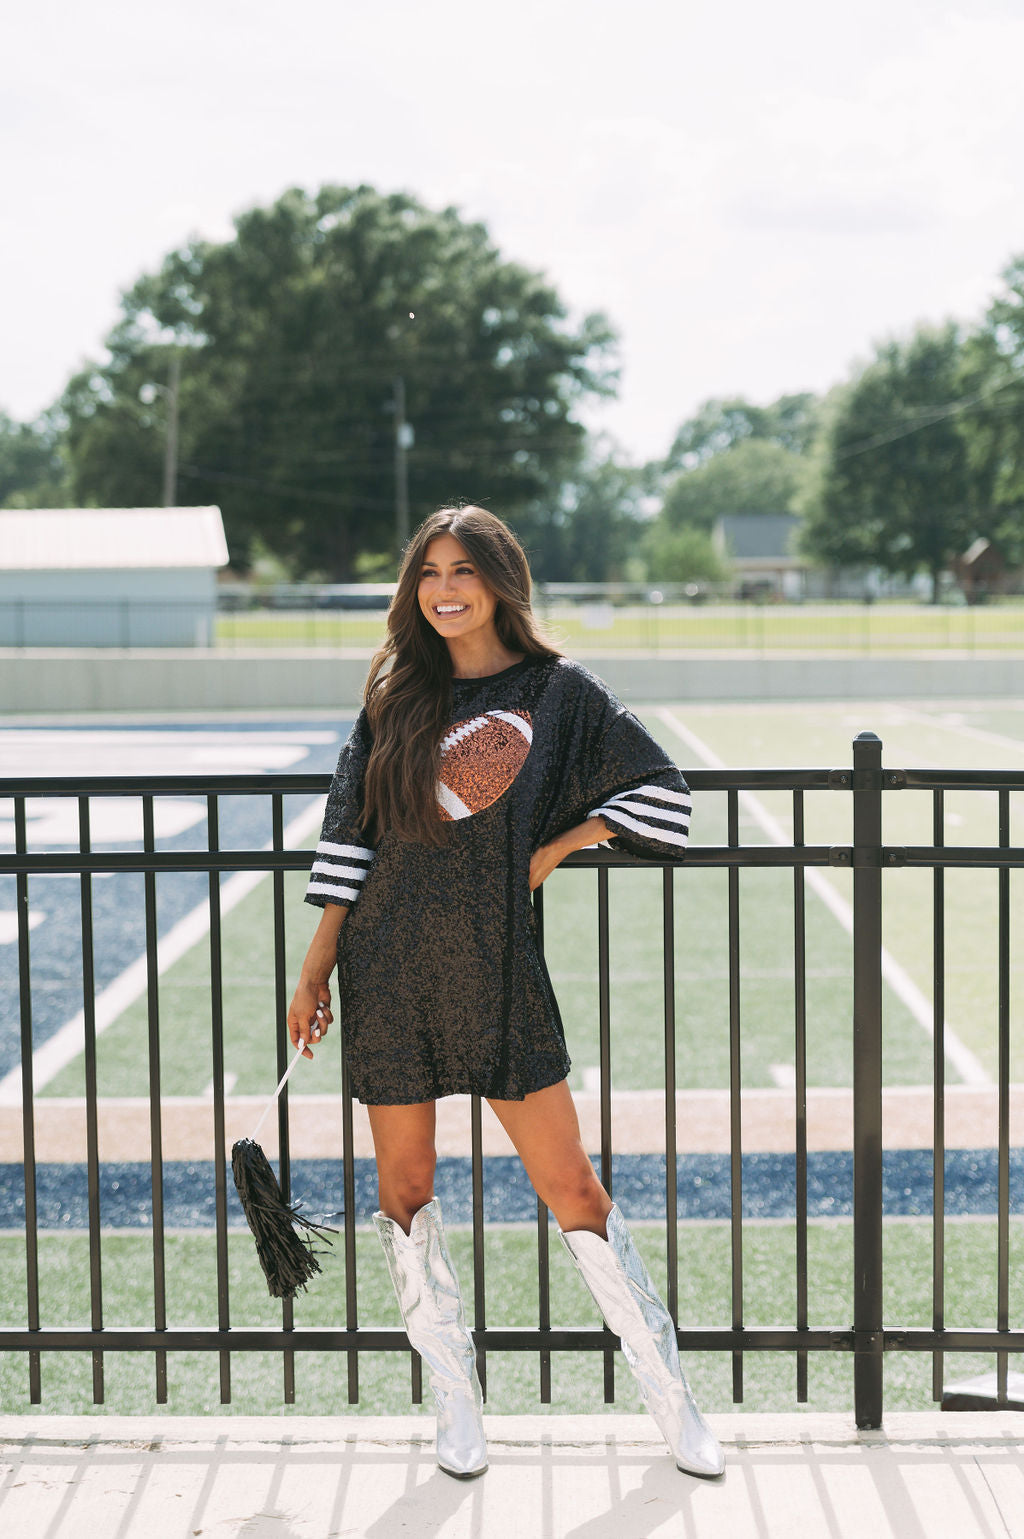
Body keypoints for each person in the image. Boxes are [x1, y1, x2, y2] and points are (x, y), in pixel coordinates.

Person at [287, 505, 723, 1481]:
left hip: (498, 965)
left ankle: (672, 1400)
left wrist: (561, 844)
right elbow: (349, 835)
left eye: (463, 572)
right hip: (387, 964)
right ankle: (455, 1403)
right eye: (429, 573)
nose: (444, 590)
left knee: (573, 1188)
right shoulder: (396, 694)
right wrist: (315, 968)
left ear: (499, 581)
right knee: (405, 1191)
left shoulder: (558, 692)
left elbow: (663, 798)